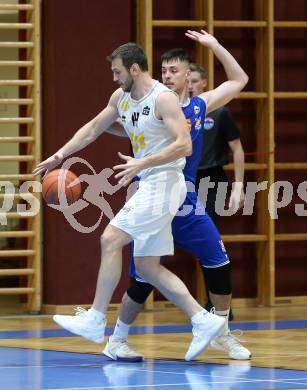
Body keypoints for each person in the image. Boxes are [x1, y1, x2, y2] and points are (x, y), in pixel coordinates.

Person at [33, 36, 232, 362]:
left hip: (165, 183)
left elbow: (185, 145)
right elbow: (94, 128)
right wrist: (60, 154)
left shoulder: (163, 99)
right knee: (147, 267)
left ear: (135, 69)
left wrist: (143, 162)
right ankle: (203, 319)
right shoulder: (121, 97)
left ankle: (97, 319)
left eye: (117, 72)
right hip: (152, 183)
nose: (114, 78)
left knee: (110, 239)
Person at [103, 31, 250, 362]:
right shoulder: (151, 102)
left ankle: (220, 333)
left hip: (183, 197)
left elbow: (239, 79)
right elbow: (116, 125)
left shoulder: (200, 105)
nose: (166, 75)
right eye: (163, 70)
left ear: (190, 77)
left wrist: (214, 45)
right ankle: (118, 339)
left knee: (218, 261)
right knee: (142, 278)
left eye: (174, 70)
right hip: (153, 194)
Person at [189, 63, 245, 316]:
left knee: (209, 241)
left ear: (204, 84)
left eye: (194, 81)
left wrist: (238, 187)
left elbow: (238, 149)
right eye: (186, 81)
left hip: (213, 180)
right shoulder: (176, 112)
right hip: (185, 180)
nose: (189, 86)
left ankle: (218, 305)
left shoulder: (220, 112)